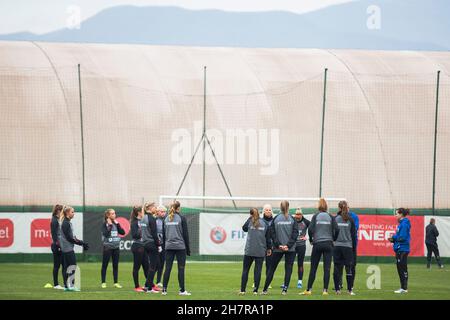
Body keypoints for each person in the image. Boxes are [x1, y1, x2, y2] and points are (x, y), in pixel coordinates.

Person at [301, 198, 339, 296]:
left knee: (313, 268)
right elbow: (337, 229)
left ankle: (309, 290)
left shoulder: (316, 216)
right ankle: (325, 290)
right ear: (326, 206)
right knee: (327, 268)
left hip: (317, 244)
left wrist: (311, 240)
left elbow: (310, 229)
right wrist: (333, 239)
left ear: (319, 206)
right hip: (328, 244)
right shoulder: (330, 216)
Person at [262, 201, 299, 295]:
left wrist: (279, 245)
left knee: (271, 269)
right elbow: (295, 234)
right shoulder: (292, 219)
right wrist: (288, 245)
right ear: (288, 207)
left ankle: (265, 290)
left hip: (278, 249)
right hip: (290, 249)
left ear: (280, 207)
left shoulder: (276, 219)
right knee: (288, 269)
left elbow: (272, 234)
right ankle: (285, 290)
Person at [239, 208, 272, 295]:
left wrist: (250, 218)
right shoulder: (265, 223)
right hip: (260, 251)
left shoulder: (250, 221)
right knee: (258, 271)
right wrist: (269, 249)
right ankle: (255, 291)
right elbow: (268, 238)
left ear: (251, 214)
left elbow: (244, 228)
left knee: (245, 270)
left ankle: (242, 290)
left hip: (249, 250)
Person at [162, 201, 191, 296]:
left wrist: (164, 247)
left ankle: (164, 290)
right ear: (178, 208)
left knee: (167, 268)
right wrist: (188, 249)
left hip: (168, 247)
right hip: (180, 247)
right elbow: (185, 235)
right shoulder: (181, 218)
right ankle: (182, 290)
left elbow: (164, 235)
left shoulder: (165, 219)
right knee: (181, 269)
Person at [59, 206, 89, 291]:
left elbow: (72, 237)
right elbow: (69, 238)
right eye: (72, 212)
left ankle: (66, 286)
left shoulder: (68, 222)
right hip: (67, 248)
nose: (73, 213)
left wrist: (81, 242)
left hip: (66, 248)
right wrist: (80, 243)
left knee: (67, 267)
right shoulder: (66, 223)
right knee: (72, 266)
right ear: (67, 213)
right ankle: (71, 286)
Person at [333, 201, 357, 295]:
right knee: (349, 268)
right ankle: (349, 290)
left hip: (337, 247)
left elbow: (332, 233)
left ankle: (337, 289)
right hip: (348, 247)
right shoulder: (350, 219)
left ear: (339, 208)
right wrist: (354, 248)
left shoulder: (335, 219)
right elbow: (353, 235)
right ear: (347, 208)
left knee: (337, 268)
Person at [100, 208, 125, 288]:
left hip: (116, 247)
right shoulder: (105, 224)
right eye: (112, 213)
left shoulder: (116, 223)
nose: (115, 215)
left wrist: (117, 224)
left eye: (115, 213)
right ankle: (103, 282)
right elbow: (106, 234)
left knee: (115, 265)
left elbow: (122, 232)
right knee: (105, 265)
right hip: (107, 247)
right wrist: (110, 225)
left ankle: (116, 282)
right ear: (108, 215)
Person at [388, 208, 411, 294]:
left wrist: (394, 238)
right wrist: (393, 240)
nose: (395, 215)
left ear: (401, 215)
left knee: (402, 268)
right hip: (400, 249)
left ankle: (404, 288)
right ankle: (403, 287)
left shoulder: (404, 224)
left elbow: (403, 237)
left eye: (397, 214)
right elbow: (400, 237)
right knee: (400, 268)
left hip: (403, 249)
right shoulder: (401, 223)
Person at [142, 202, 162, 293]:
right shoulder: (151, 219)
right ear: (150, 208)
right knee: (153, 266)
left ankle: (147, 285)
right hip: (151, 243)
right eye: (154, 206)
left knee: (156, 264)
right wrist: (158, 245)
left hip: (145, 243)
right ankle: (149, 288)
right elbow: (154, 234)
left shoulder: (143, 218)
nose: (155, 208)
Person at [130, 206, 148, 292]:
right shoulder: (134, 222)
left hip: (144, 246)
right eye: (143, 212)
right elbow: (134, 235)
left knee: (146, 266)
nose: (144, 213)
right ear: (139, 213)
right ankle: (137, 286)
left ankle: (149, 285)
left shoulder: (143, 221)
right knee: (136, 267)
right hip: (137, 246)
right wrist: (141, 230)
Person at [293, 208, 310, 289]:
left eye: (299, 214)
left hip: (301, 245)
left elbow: (314, 229)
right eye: (297, 214)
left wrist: (308, 237)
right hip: (292, 245)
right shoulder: (292, 220)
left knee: (300, 263)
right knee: (289, 264)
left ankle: (300, 281)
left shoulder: (306, 222)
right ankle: (286, 281)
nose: (298, 216)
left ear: (302, 215)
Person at [50, 204, 64, 290]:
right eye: (62, 211)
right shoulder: (54, 220)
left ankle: (65, 283)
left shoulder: (58, 220)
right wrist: (58, 245)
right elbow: (54, 235)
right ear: (58, 211)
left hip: (60, 245)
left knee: (63, 265)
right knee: (57, 266)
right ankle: (56, 284)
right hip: (57, 246)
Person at [262, 204, 274, 289]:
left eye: (269, 210)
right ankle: (256, 282)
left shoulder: (274, 221)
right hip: (261, 245)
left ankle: (268, 282)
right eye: (266, 210)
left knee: (269, 264)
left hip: (271, 246)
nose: (268, 211)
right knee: (258, 264)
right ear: (263, 211)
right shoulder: (260, 221)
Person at [155, 205, 167, 287]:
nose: (163, 213)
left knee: (162, 263)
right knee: (156, 263)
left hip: (164, 244)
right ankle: (150, 279)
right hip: (156, 244)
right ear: (157, 212)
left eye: (164, 212)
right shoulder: (154, 220)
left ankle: (158, 281)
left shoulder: (167, 220)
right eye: (162, 212)